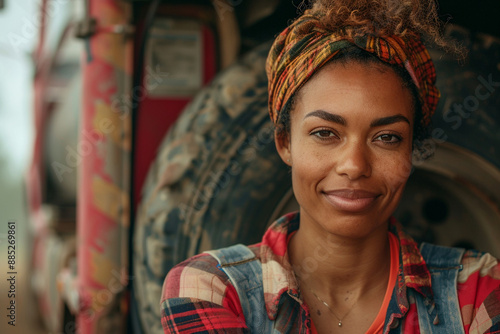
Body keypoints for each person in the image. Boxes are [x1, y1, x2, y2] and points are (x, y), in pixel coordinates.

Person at [160, 0, 500, 333]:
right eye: (325, 133)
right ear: (285, 143)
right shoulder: (212, 288)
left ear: (412, 151)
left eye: (387, 138)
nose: (354, 166)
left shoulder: (477, 289)